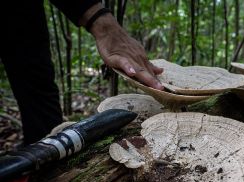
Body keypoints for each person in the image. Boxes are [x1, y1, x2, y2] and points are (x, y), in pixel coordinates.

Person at [0, 0, 164, 145]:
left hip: (20, 11)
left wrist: (99, 19)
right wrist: (100, 20)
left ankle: (48, 164)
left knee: (36, 84)